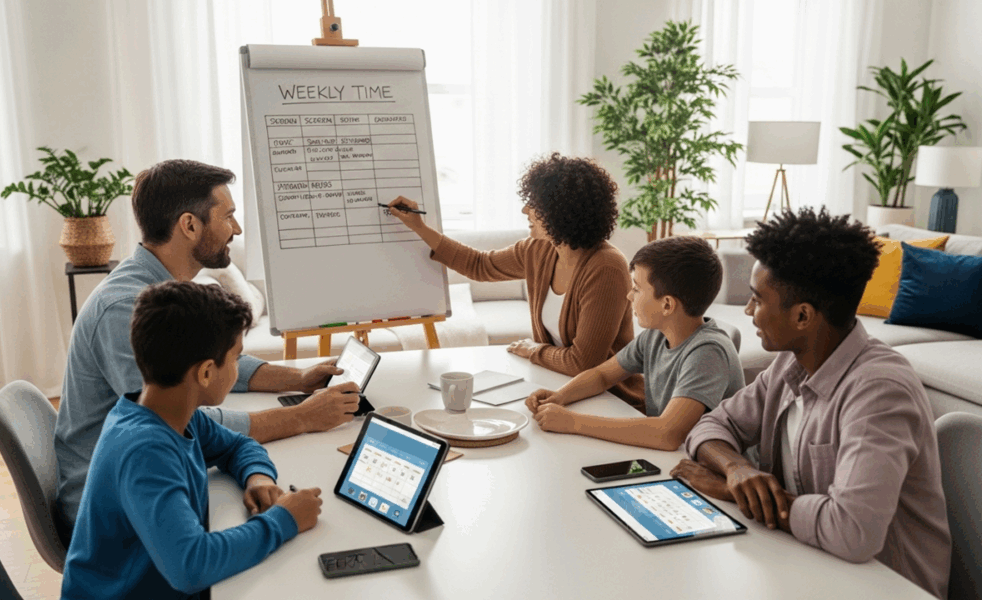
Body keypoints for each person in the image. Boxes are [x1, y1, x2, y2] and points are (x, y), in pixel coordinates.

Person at [55, 159, 359, 530]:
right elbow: (183, 423)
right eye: (227, 216)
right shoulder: (125, 307)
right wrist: (302, 417)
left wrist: (299, 380)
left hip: (149, 480)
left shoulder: (166, 291)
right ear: (189, 225)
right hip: (110, 508)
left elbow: (218, 356)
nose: (237, 228)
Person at [671, 208, 950, 599]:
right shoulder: (791, 362)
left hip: (882, 586)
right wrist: (736, 469)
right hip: (806, 564)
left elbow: (853, 532)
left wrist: (733, 492)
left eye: (756, 299)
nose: (749, 311)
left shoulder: (880, 392)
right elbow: (712, 426)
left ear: (803, 316)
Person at [61, 281, 323, 599]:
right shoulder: (146, 451)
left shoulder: (170, 411)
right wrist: (285, 519)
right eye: (236, 358)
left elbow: (238, 445)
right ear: (206, 373)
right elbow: (191, 566)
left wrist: (258, 476)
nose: (238, 368)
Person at [388, 153, 643, 408]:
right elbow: (480, 265)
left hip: (610, 399)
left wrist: (533, 350)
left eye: (534, 203)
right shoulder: (539, 250)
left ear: (560, 211)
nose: (525, 210)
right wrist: (419, 227)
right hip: (557, 386)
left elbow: (583, 362)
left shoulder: (606, 268)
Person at [524, 236, 744, 450]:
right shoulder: (656, 335)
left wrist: (572, 422)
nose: (629, 296)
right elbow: (602, 375)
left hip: (711, 471)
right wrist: (559, 395)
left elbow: (667, 434)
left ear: (667, 305)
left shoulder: (707, 353)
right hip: (674, 459)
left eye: (637, 288)